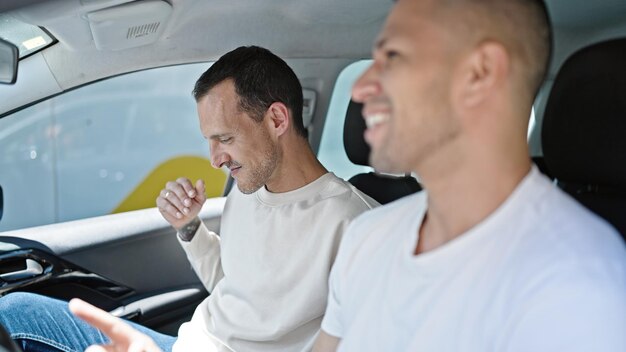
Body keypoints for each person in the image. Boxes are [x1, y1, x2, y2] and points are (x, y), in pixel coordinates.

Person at [0, 46, 377, 352]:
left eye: (225, 139)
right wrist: (189, 227)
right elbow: (232, 289)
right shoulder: (250, 191)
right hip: (186, 342)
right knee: (13, 313)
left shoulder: (356, 224)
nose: (215, 159)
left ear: (277, 120)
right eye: (209, 141)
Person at [311, 0, 626, 351]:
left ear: (480, 72)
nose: (360, 88)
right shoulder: (366, 236)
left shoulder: (575, 284)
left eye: (393, 56)